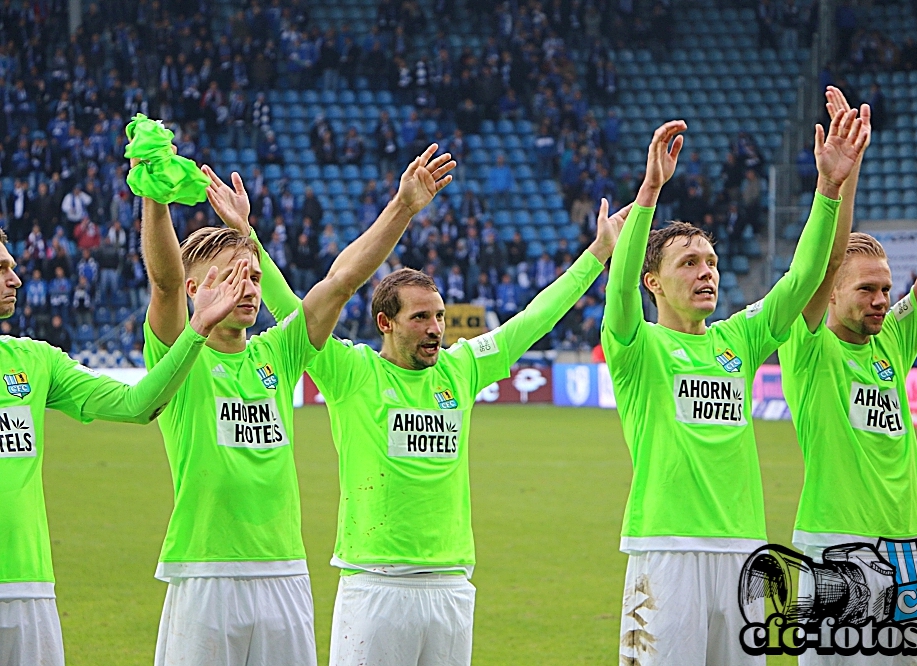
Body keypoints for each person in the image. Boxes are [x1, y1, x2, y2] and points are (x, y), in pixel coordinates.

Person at [211, 172, 629, 666]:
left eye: (439, 317)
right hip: (375, 583)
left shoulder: (462, 368)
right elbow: (294, 307)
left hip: (452, 583)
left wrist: (598, 255)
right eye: (420, 318)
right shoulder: (349, 370)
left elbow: (535, 318)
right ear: (385, 323)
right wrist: (247, 236)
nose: (435, 330)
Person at [604, 112, 867, 666]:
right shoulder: (636, 346)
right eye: (690, 263)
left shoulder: (739, 340)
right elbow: (620, 283)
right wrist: (650, 190)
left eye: (713, 263)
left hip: (745, 554)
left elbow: (803, 279)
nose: (708, 273)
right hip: (665, 551)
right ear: (654, 282)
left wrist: (828, 188)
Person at [180, 144, 454, 666]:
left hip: (286, 572)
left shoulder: (278, 353)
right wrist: (157, 202)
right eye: (231, 278)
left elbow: (340, 283)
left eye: (253, 277)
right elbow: (167, 284)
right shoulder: (182, 350)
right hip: (205, 572)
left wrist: (402, 207)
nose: (246, 287)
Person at [779, 89, 917, 666]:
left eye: (885, 288)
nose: (883, 300)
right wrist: (843, 179)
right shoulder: (807, 348)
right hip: (837, 548)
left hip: (916, 547)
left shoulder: (894, 343)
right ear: (829, 296)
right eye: (866, 290)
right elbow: (823, 262)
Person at [0, 225, 245, 666]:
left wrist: (198, 329)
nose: (15, 279)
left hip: (27, 587)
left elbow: (137, 405)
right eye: (1, 269)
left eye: (12, 268)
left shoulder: (35, 361)